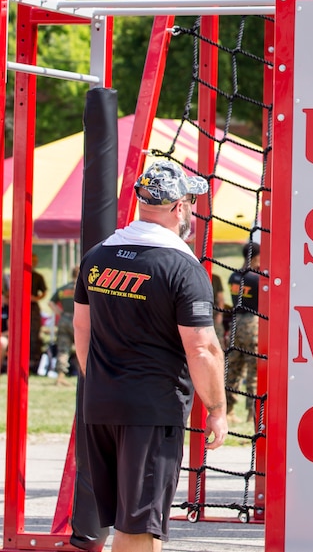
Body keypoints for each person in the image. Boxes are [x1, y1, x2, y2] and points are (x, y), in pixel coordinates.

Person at [74, 160, 228, 552]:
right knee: (139, 528)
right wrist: (217, 408)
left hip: (100, 405)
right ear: (179, 208)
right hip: (150, 409)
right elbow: (202, 347)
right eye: (190, 202)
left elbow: (81, 329)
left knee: (132, 523)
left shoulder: (97, 256)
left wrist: (101, 383)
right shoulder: (181, 266)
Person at [225, 241, 261, 423]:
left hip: (235, 323)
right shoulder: (257, 278)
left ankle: (228, 410)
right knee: (253, 370)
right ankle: (251, 413)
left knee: (233, 368)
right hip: (252, 323)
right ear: (257, 257)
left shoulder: (234, 276)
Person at [51, 267, 80, 386]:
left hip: (64, 319)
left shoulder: (63, 289)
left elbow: (50, 302)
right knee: (82, 348)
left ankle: (60, 377)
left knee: (63, 349)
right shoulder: (81, 287)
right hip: (78, 320)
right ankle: (82, 376)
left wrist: (61, 313)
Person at [30, 252, 48, 372]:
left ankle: (32, 362)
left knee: (33, 334)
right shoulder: (16, 273)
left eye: (35, 260)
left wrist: (35, 299)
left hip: (33, 308)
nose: (35, 262)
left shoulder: (37, 276)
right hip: (18, 306)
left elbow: (44, 291)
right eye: (33, 260)